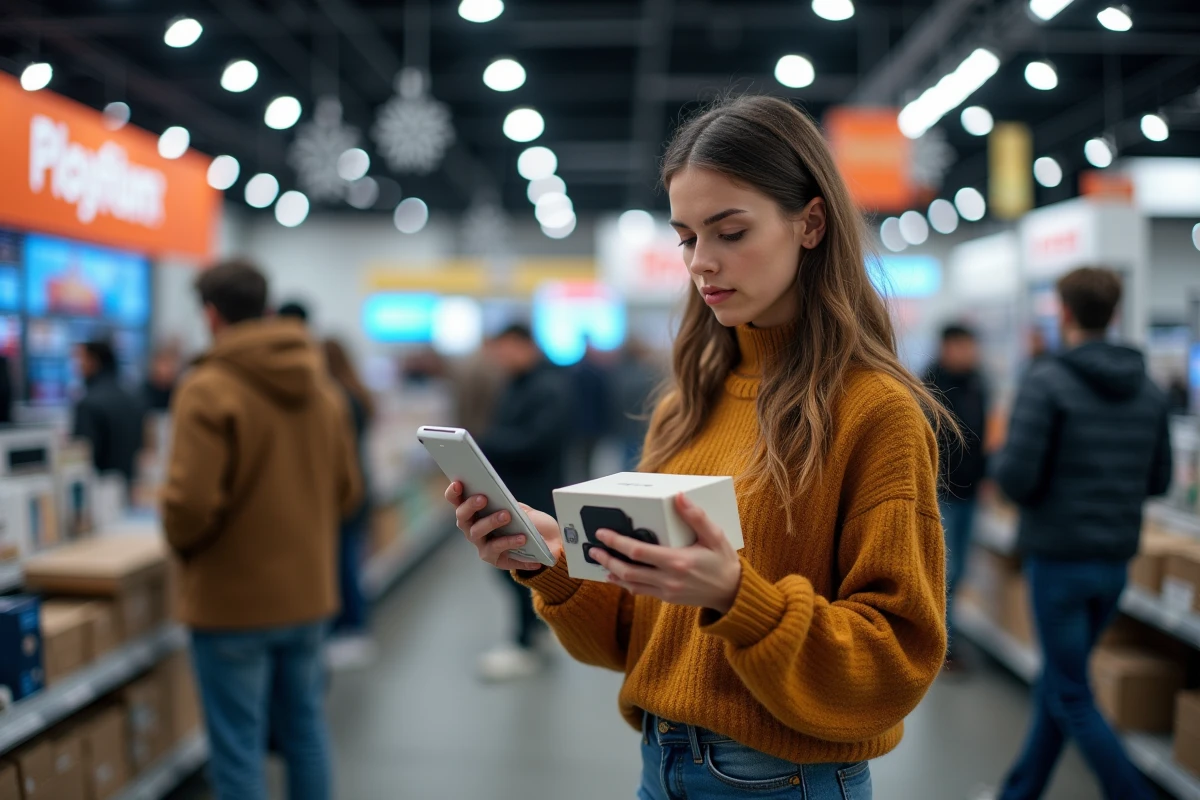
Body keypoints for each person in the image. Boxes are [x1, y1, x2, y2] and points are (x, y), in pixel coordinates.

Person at [448, 95, 952, 799]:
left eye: (730, 231)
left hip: (784, 779)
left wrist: (740, 598)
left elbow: (897, 660)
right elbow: (638, 637)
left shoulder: (874, 412)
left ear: (810, 223)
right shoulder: (688, 405)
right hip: (663, 762)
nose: (702, 263)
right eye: (687, 238)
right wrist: (555, 565)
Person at [162, 260, 361, 800]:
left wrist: (186, 547)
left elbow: (188, 505)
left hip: (232, 602)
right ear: (266, 306)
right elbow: (348, 493)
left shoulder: (206, 388)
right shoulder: (323, 389)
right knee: (306, 732)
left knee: (238, 747)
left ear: (210, 314)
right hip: (309, 596)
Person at [992, 267, 1172, 800]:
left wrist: (1000, 463)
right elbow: (1159, 480)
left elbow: (1017, 479)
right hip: (1115, 562)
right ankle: (1019, 792)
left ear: (1064, 312)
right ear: (1113, 314)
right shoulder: (1148, 388)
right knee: (1059, 682)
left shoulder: (1046, 380)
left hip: (1059, 560)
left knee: (1069, 692)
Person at [473, 323, 570, 682]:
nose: (499, 357)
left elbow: (538, 441)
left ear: (522, 344)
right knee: (513, 568)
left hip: (535, 492)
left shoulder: (549, 386)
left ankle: (525, 642)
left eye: (503, 348)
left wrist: (486, 445)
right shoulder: (518, 383)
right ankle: (536, 633)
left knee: (524, 567)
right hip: (516, 489)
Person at [924, 324, 988, 670]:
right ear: (947, 346)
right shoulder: (929, 384)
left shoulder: (979, 382)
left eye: (971, 346)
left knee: (959, 571)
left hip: (971, 491)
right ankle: (942, 645)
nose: (968, 353)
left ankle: (948, 638)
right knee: (946, 571)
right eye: (962, 345)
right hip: (941, 493)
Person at [323, 337, 376, 667]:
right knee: (351, 561)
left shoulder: (337, 400)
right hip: (360, 487)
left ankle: (353, 630)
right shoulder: (357, 394)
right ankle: (355, 628)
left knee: (344, 564)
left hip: (345, 493)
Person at [73, 340, 145, 487]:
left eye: (81, 360)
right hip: (130, 487)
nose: (78, 366)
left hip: (99, 491)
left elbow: (83, 459)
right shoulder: (132, 397)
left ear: (93, 362)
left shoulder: (88, 404)